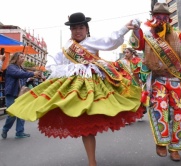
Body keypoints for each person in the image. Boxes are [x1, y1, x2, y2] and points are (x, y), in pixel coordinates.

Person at [6, 12, 144, 166]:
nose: (77, 31)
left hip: (94, 86)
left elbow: (110, 41)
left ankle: (92, 161)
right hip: (74, 87)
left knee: (99, 112)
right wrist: (60, 70)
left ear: (86, 29)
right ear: (70, 31)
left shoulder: (92, 42)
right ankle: (92, 161)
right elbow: (54, 63)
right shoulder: (67, 47)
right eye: (74, 28)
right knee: (82, 121)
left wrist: (125, 28)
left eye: (80, 27)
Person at [129, 2, 181, 161]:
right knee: (160, 109)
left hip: (177, 80)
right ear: (152, 19)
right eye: (158, 17)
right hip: (158, 80)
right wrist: (136, 29)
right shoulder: (148, 36)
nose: (161, 21)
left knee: (180, 114)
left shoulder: (177, 34)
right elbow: (137, 43)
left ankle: (175, 148)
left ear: (169, 20)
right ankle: (161, 142)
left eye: (164, 18)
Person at [1, 52, 41, 139]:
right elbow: (18, 74)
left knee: (21, 112)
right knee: (12, 113)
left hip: (21, 93)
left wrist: (35, 75)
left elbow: (24, 75)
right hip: (11, 93)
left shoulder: (21, 68)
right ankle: (5, 129)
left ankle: (20, 132)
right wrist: (32, 74)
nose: (23, 58)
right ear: (16, 58)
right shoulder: (11, 67)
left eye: (24, 57)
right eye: (21, 57)